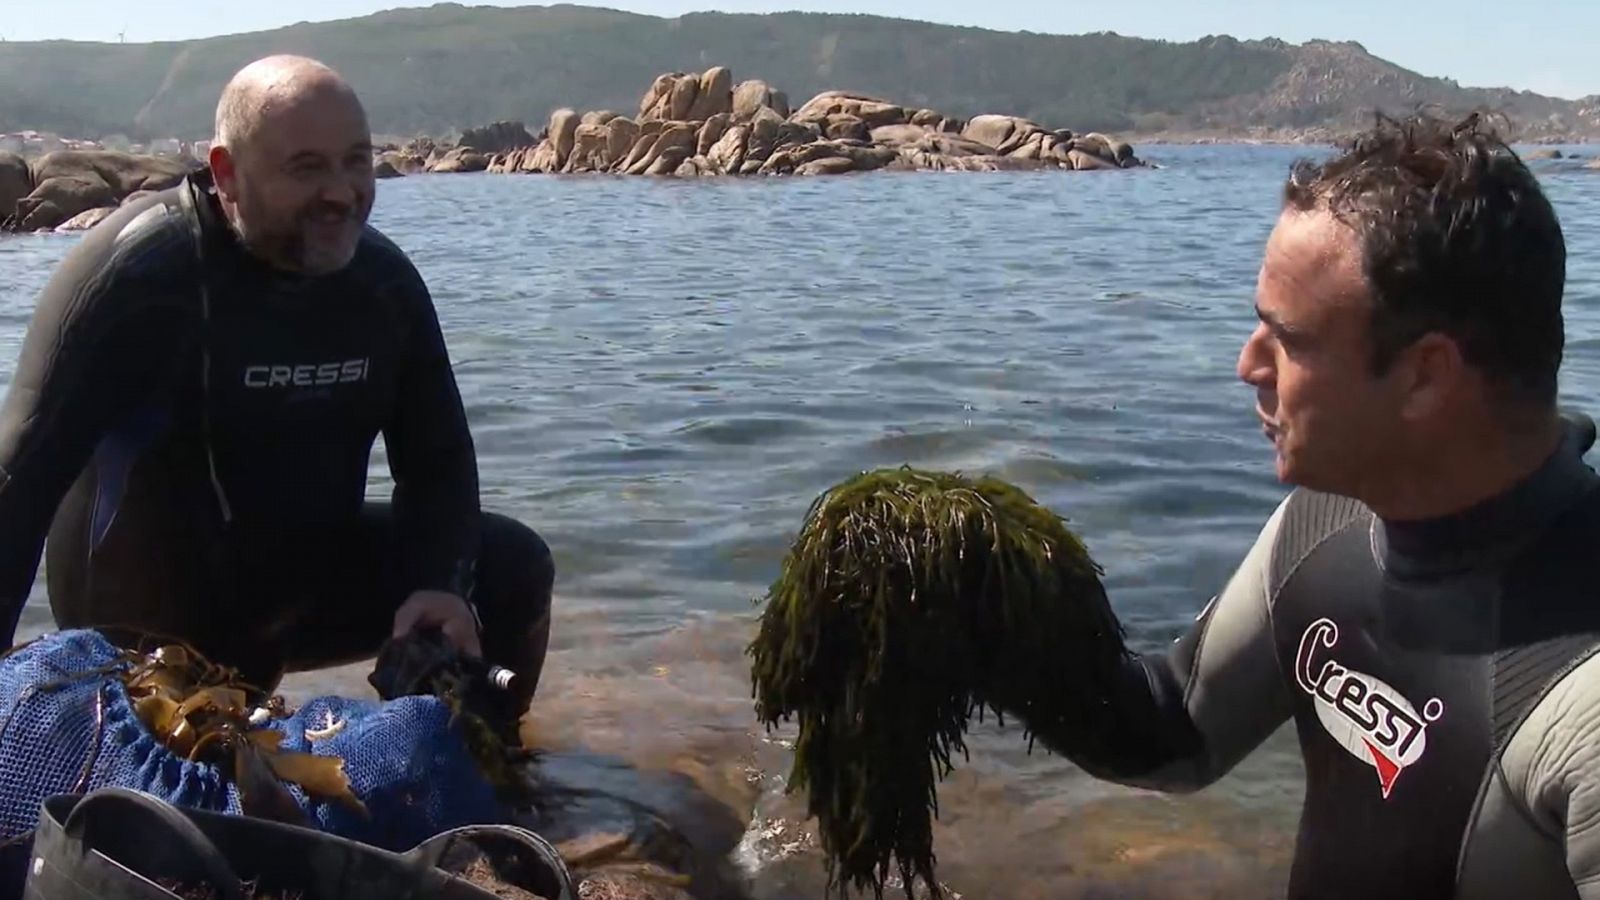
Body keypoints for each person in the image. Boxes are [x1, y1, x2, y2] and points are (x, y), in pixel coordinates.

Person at [1014, 112, 1600, 898]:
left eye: (1286, 339)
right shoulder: (1329, 521)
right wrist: (989, 606)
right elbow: (1172, 731)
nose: (1246, 365)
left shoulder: (1582, 700)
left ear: (1426, 375)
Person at [0, 54, 552, 738]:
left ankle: (480, 787)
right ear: (227, 172)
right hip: (147, 627)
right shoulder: (138, 278)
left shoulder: (382, 287)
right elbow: (18, 487)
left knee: (509, 566)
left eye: (356, 161)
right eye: (307, 167)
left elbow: (436, 458)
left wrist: (440, 584)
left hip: (302, 591)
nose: (342, 192)